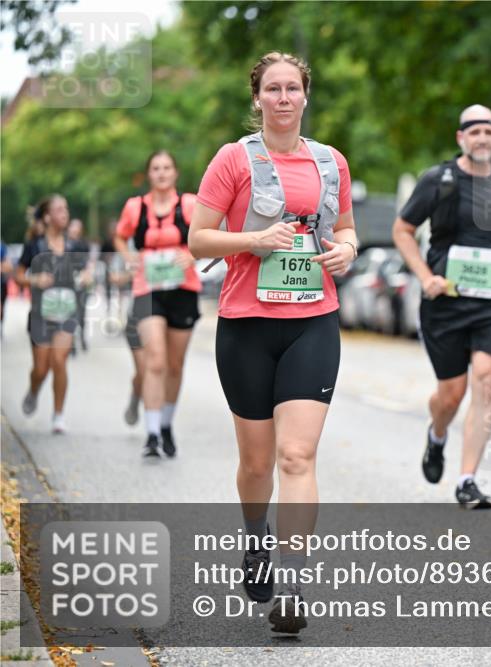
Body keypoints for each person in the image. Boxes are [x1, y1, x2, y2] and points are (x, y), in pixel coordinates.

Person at [188, 51, 357, 634]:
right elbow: (197, 239)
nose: (283, 98)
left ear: (306, 96)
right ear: (257, 97)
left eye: (293, 88)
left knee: (296, 455)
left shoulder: (332, 163)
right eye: (272, 89)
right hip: (246, 325)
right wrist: (254, 239)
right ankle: (256, 536)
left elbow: (345, 229)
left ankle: (293, 579)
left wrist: (348, 250)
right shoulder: (233, 160)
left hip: (314, 319)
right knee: (257, 463)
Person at [392, 104, 491, 509]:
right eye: (473, 131)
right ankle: (437, 436)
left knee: (485, 379)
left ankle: (467, 480)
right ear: (461, 138)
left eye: (488, 131)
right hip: (445, 300)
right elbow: (403, 229)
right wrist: (424, 275)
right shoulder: (439, 179)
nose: (481, 137)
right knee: (450, 395)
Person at [115, 151, 201, 458]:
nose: (162, 173)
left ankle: (165, 425)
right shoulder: (135, 207)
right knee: (156, 360)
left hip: (183, 288)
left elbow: (207, 237)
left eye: (167, 168)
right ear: (149, 174)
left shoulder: (190, 204)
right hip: (147, 289)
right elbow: (119, 236)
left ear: (175, 173)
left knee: (175, 365)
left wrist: (193, 254)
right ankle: (151, 434)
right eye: (155, 168)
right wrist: (129, 258)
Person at [15, 195, 91, 434]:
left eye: (66, 208)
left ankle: (58, 415)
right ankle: (34, 389)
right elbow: (18, 275)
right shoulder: (34, 246)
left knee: (59, 362)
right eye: (59, 209)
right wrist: (35, 279)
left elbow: (88, 268)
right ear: (47, 217)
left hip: (66, 313)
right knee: (41, 369)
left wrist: (88, 276)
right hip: (40, 314)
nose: (64, 213)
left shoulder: (75, 245)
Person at [67, 218, 91, 354]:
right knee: (71, 313)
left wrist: (87, 275)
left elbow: (88, 262)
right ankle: (71, 343)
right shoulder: (65, 243)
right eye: (73, 226)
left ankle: (82, 337)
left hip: (81, 281)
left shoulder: (83, 244)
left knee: (82, 313)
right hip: (69, 281)